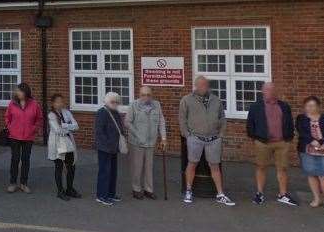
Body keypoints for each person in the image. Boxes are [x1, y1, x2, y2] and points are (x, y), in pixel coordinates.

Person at [179, 76, 235, 206]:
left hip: (214, 139)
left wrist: (221, 134)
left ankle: (220, 194)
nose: (203, 87)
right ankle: (188, 190)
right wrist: (187, 135)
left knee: (215, 165)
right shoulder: (187, 100)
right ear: (196, 86)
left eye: (205, 85)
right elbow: (182, 119)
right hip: (195, 138)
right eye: (201, 85)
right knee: (192, 163)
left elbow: (222, 118)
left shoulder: (216, 100)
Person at [245, 82, 296, 206]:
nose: (270, 92)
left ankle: (283, 194)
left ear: (276, 91)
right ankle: (260, 194)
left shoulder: (284, 106)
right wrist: (256, 138)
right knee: (261, 167)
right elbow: (250, 124)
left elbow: (289, 122)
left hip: (281, 142)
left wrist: (288, 137)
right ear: (262, 92)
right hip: (263, 142)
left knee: (282, 168)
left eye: (272, 90)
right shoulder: (255, 107)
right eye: (267, 90)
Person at [295, 96, 324, 210]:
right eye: (308, 105)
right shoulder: (301, 118)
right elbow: (301, 132)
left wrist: (321, 141)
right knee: (311, 174)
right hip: (308, 150)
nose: (310, 108)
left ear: (318, 107)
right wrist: (312, 141)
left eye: (313, 105)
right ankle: (316, 198)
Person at [126, 86, 167, 200]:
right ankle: (136, 189)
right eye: (143, 95)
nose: (146, 97)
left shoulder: (157, 105)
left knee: (149, 167)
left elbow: (161, 122)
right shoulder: (133, 105)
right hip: (136, 142)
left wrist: (163, 138)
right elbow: (127, 123)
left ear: (152, 95)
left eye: (148, 95)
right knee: (137, 167)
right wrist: (137, 134)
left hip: (150, 142)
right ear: (139, 95)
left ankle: (149, 190)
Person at [5, 82, 43, 193]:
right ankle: (12, 183)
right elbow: (7, 116)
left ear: (25, 92)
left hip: (28, 137)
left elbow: (39, 118)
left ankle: (24, 183)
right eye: (17, 91)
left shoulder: (34, 104)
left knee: (26, 160)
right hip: (14, 136)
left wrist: (34, 129)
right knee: (15, 159)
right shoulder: (12, 103)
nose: (18, 93)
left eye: (20, 91)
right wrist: (10, 127)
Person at [47, 93, 81, 200]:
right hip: (57, 144)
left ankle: (69, 189)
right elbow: (57, 130)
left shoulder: (67, 113)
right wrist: (68, 128)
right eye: (57, 102)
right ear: (53, 103)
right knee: (59, 167)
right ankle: (60, 191)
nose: (60, 103)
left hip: (68, 142)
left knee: (71, 166)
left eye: (61, 101)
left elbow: (76, 126)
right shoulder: (51, 115)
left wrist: (65, 125)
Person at [94, 92, 126, 206]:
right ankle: (101, 195)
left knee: (113, 172)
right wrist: (107, 144)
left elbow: (120, 128)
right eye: (113, 102)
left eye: (117, 102)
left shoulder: (115, 112)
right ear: (107, 102)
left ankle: (111, 193)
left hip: (114, 147)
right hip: (105, 148)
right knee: (104, 172)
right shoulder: (102, 112)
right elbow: (99, 131)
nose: (115, 104)